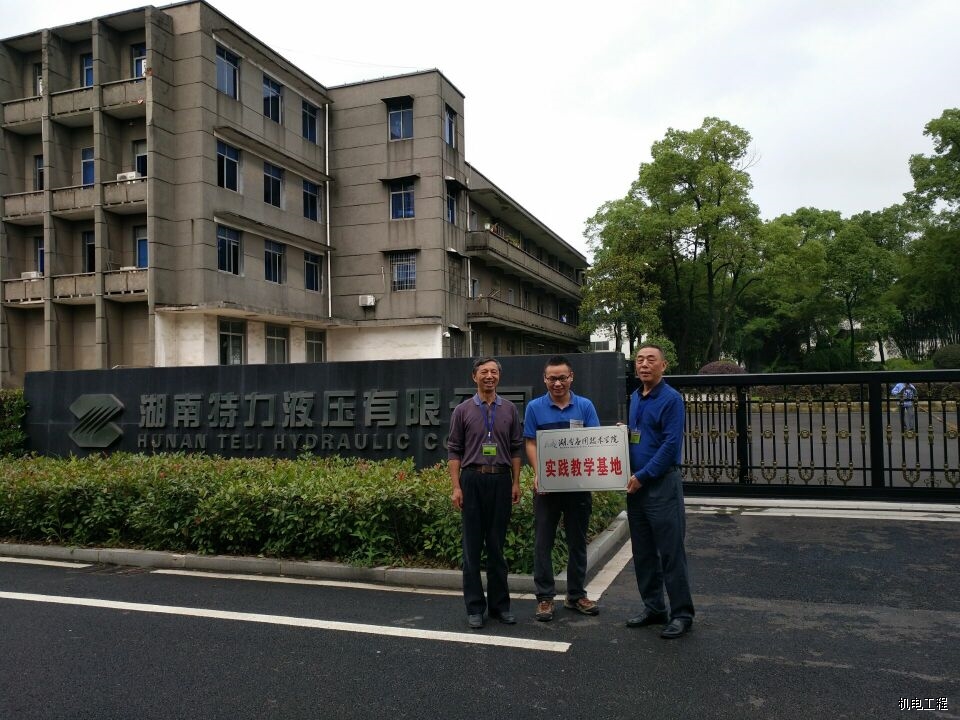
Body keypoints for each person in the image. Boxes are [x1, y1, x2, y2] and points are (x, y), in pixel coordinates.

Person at [624, 344, 695, 639]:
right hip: (636, 489)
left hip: (661, 485)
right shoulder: (634, 398)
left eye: (650, 360)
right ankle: (654, 607)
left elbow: (670, 446)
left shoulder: (671, 399)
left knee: (670, 553)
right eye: (639, 359)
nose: (643, 364)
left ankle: (682, 614)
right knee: (642, 553)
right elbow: (638, 436)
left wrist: (642, 476)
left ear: (663, 366)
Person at [523, 355, 601, 622]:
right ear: (545, 379)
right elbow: (530, 443)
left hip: (578, 486)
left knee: (577, 542)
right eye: (552, 378)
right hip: (547, 488)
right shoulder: (534, 407)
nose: (557, 383)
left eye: (562, 378)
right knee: (543, 542)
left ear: (571, 377)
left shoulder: (585, 406)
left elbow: (594, 441)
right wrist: (540, 473)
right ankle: (545, 598)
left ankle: (576, 595)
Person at [448, 357, 523, 630]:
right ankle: (475, 608)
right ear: (474, 376)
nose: (489, 376)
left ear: (499, 377)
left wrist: (516, 482)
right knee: (471, 547)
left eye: (493, 372)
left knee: (496, 546)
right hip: (472, 479)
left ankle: (500, 607)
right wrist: (456, 486)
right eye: (484, 372)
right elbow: (454, 450)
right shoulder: (463, 410)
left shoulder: (510, 409)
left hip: (501, 480)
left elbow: (516, 448)